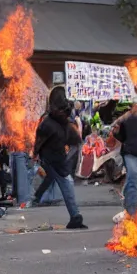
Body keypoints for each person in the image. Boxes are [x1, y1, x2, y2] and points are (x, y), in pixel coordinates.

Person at [33, 86, 87, 229]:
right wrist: (36, 156)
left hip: (58, 160)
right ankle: (75, 216)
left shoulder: (64, 124)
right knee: (65, 184)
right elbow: (39, 142)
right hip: (51, 160)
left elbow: (76, 142)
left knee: (65, 183)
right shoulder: (48, 124)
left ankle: (75, 216)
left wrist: (67, 159)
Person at [113, 107, 137, 219]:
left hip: (135, 152)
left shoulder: (130, 121)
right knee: (134, 180)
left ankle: (132, 206)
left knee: (136, 181)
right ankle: (132, 210)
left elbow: (121, 136)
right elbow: (124, 136)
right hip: (135, 152)